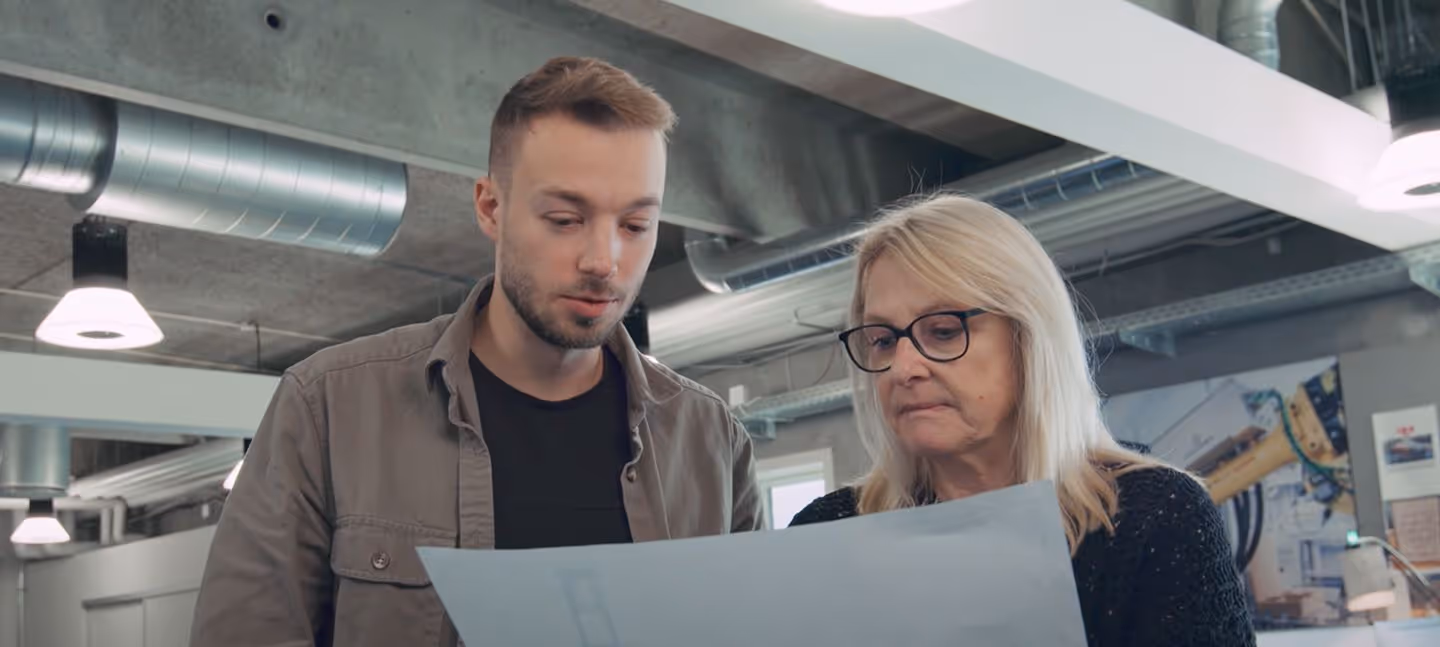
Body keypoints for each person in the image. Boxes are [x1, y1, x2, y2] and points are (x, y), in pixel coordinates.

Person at [190, 57, 762, 647]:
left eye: (637, 225)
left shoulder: (711, 440)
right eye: (565, 219)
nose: (603, 260)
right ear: (491, 207)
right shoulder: (329, 409)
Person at [790, 194, 1255, 647]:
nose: (903, 368)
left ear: (1027, 337)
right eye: (882, 339)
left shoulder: (1155, 517)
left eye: (944, 331)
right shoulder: (827, 533)